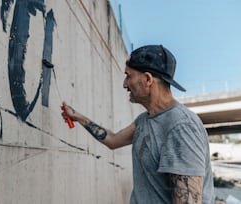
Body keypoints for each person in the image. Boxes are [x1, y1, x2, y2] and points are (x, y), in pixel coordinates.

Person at [62, 45, 215, 204]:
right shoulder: (144, 120)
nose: (124, 84)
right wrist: (77, 117)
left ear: (148, 79)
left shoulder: (181, 127)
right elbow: (113, 140)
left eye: (128, 76)